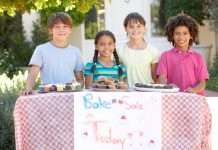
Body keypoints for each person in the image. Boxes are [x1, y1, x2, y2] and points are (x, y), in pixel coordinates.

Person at [22, 12, 84, 95]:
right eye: (57, 27)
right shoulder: (41, 49)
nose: (61, 30)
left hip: (69, 94)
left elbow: (79, 78)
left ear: (70, 30)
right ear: (50, 30)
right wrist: (28, 88)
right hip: (48, 94)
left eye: (65, 26)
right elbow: (33, 74)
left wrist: (78, 88)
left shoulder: (76, 51)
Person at [156, 14, 209, 95]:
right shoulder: (165, 56)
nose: (181, 37)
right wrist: (168, 86)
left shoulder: (198, 57)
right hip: (172, 98)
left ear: (191, 35)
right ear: (172, 35)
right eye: (177, 33)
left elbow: (202, 83)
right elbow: (161, 78)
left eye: (185, 33)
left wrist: (194, 90)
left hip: (194, 99)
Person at [117, 12, 160, 87]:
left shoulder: (153, 51)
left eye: (139, 26)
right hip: (127, 92)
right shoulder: (119, 50)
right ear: (125, 29)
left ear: (144, 28)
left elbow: (155, 77)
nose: (135, 29)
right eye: (131, 26)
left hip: (147, 92)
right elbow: (116, 74)